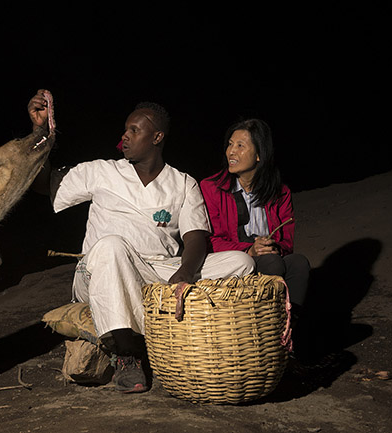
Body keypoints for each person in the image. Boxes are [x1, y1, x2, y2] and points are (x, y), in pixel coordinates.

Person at [28, 89, 254, 393]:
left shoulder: (183, 183)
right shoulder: (101, 171)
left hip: (157, 273)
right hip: (100, 270)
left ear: (157, 137)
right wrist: (39, 131)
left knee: (241, 262)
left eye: (135, 130)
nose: (126, 136)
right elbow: (43, 184)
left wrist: (185, 272)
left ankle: (192, 327)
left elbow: (196, 237)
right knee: (111, 245)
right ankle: (126, 354)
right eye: (126, 130)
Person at [200, 118, 310, 327]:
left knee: (298, 263)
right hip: (234, 261)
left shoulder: (280, 193)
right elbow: (209, 241)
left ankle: (289, 327)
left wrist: (272, 246)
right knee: (272, 263)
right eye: (230, 144)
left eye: (240, 146)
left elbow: (287, 241)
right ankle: (266, 327)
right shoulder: (211, 188)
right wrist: (250, 250)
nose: (231, 151)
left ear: (259, 154)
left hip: (268, 258)